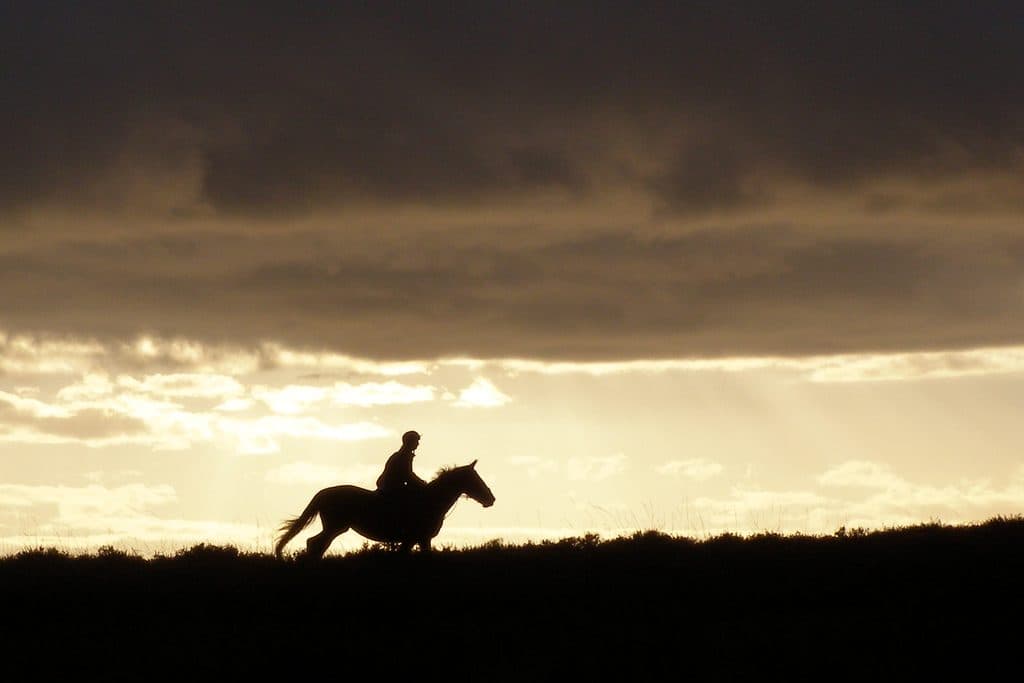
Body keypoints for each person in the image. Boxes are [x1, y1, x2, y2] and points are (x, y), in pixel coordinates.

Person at [375, 430, 427, 497]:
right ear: (410, 442)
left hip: (387, 486)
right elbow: (408, 476)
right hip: (391, 489)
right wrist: (422, 483)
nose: (418, 444)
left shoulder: (399, 455)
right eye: (416, 441)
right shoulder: (404, 456)